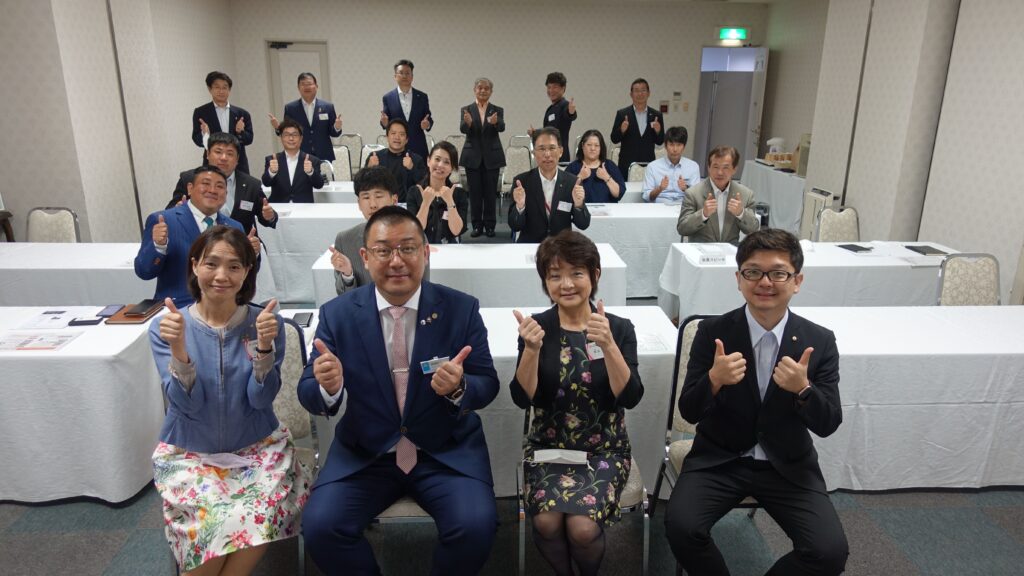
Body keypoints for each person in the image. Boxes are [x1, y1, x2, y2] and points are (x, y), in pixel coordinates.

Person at [298, 206, 500, 576]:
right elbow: (308, 389)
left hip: (443, 452)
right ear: (364, 256)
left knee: (475, 527)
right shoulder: (337, 314)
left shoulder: (460, 309)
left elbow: (487, 383)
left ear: (425, 252)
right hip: (367, 454)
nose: (396, 261)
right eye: (383, 250)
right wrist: (329, 387)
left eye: (407, 248)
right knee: (322, 527)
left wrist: (460, 387)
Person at [665, 228, 848, 576]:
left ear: (797, 281)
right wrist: (713, 381)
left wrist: (804, 389)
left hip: (788, 464)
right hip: (719, 459)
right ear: (738, 279)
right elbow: (689, 411)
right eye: (753, 272)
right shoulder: (712, 333)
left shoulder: (819, 341)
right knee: (681, 528)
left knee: (829, 553)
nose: (764, 282)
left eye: (778, 273)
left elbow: (828, 423)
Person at [149, 225, 310, 575]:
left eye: (234, 266)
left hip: (257, 448)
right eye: (212, 264)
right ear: (195, 265)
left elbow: (260, 400)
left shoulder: (264, 323)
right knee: (210, 522)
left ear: (247, 272)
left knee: (258, 512)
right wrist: (179, 350)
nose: (222, 276)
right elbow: (186, 406)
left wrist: (264, 348)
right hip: (190, 450)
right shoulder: (171, 326)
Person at [510, 231, 643, 576]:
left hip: (604, 449)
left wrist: (609, 346)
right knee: (547, 522)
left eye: (576, 273)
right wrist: (531, 351)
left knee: (582, 529)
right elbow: (522, 398)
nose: (566, 284)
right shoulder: (536, 328)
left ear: (595, 275)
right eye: (555, 275)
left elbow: (630, 397)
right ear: (545, 281)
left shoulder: (618, 328)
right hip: (548, 447)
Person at [135, 166, 254, 306]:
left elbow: (243, 274)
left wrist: (253, 254)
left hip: (224, 307)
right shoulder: (164, 220)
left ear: (226, 193)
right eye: (206, 183)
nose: (212, 190)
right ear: (190, 188)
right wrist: (158, 246)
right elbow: (144, 272)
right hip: (179, 307)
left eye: (219, 186)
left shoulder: (235, 226)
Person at [167, 132, 277, 236]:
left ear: (237, 159)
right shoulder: (189, 178)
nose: (223, 158)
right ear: (208, 154)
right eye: (218, 152)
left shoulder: (251, 184)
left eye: (230, 153)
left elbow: (267, 217)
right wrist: (178, 208)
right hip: (197, 243)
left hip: (241, 243)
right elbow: (170, 212)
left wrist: (270, 216)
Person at [508, 127, 591, 243]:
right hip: (531, 245)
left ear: (561, 151)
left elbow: (583, 224)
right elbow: (514, 225)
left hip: (560, 246)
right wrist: (520, 206)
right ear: (534, 153)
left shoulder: (572, 182)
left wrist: (578, 205)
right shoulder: (522, 182)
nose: (547, 154)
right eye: (541, 149)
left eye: (552, 148)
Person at [330, 167, 399, 295]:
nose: (373, 205)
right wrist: (347, 274)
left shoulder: (414, 237)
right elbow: (344, 296)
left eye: (379, 196)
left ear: (394, 200)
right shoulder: (345, 240)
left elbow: (421, 287)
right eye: (366, 197)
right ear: (359, 203)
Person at [677, 145, 759, 243]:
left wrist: (741, 213)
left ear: (734, 169)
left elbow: (753, 229)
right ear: (708, 168)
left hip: (731, 250)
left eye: (725, 167)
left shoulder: (746, 194)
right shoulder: (693, 193)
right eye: (715, 167)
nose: (720, 172)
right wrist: (703, 214)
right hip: (700, 250)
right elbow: (682, 229)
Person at [459, 77, 506, 238]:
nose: (483, 91)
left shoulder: (497, 109)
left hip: (492, 157)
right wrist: (468, 123)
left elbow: (502, 127)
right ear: (475, 90)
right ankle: (477, 226)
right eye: (480, 88)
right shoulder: (466, 109)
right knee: (475, 194)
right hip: (472, 157)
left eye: (486, 88)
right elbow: (463, 129)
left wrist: (496, 122)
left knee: (490, 194)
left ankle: (490, 226)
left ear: (491, 92)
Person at [269, 72, 343, 162]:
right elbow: (288, 134)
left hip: (324, 156)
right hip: (300, 156)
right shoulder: (291, 108)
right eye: (303, 84)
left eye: (309, 84)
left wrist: (337, 127)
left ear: (316, 86)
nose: (307, 87)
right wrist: (278, 127)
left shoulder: (327, 107)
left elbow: (334, 134)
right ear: (298, 88)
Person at [406, 141, 469, 244]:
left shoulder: (459, 193)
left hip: (450, 248)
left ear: (452, 168)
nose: (440, 165)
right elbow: (414, 230)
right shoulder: (415, 191)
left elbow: (456, 231)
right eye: (437, 159)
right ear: (428, 161)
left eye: (446, 162)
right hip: (421, 247)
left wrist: (450, 202)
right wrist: (425, 203)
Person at [192, 71, 254, 175]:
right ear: (210, 89)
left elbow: (249, 139)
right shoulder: (201, 112)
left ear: (229, 90)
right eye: (217, 87)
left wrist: (240, 132)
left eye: (225, 87)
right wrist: (205, 134)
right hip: (212, 163)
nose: (221, 91)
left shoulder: (242, 114)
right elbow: (197, 140)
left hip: (238, 164)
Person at [262, 117, 326, 203]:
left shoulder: (312, 160)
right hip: (279, 207)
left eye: (295, 135)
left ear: (301, 138)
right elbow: (266, 183)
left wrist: (311, 172)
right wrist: (271, 172)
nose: (291, 138)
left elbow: (319, 185)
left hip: (304, 207)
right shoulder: (272, 159)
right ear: (281, 138)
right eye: (286, 135)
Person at [610, 78, 664, 176]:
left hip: (648, 164)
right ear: (631, 94)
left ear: (648, 93)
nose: (640, 94)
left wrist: (658, 131)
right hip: (627, 165)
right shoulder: (622, 114)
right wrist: (622, 130)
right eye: (636, 91)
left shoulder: (656, 115)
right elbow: (614, 139)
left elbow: (660, 141)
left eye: (643, 90)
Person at [380, 59, 433, 159]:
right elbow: (385, 121)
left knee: (420, 169)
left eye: (407, 73)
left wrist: (427, 124)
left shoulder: (422, 97)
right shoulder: (388, 97)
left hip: (418, 146)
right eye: (401, 73)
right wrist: (385, 123)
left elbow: (428, 118)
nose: (404, 76)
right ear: (395, 76)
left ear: (412, 76)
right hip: (397, 147)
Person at [365, 118, 426, 202]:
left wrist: (412, 169)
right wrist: (369, 168)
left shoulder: (416, 159)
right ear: (387, 137)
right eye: (393, 133)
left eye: (401, 134)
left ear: (406, 140)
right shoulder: (375, 157)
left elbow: (424, 185)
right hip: (380, 204)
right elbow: (362, 184)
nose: (397, 137)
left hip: (407, 205)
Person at [642, 126, 701, 204]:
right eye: (671, 145)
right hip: (660, 206)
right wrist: (659, 189)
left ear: (684, 147)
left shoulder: (693, 166)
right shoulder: (653, 167)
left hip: (684, 206)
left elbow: (697, 197)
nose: (675, 149)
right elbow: (646, 197)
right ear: (665, 146)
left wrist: (686, 189)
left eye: (679, 145)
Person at [565, 129, 626, 203]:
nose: (593, 148)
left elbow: (618, 194)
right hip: (580, 209)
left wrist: (606, 177)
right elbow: (564, 194)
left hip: (607, 209)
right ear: (582, 146)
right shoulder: (573, 167)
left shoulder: (609, 166)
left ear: (601, 148)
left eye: (596, 145)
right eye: (589, 145)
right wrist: (579, 177)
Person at [528, 72, 576, 162]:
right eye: (549, 87)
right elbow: (549, 130)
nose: (551, 90)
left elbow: (569, 116)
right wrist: (536, 133)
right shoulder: (550, 109)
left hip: (560, 155)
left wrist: (571, 112)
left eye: (555, 87)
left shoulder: (565, 105)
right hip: (547, 154)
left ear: (563, 88)